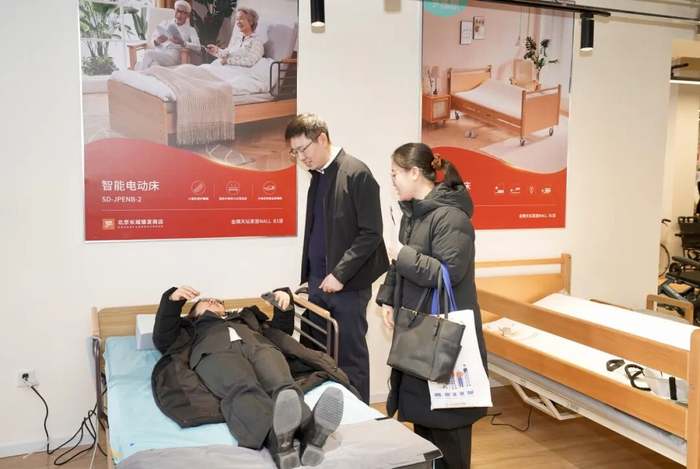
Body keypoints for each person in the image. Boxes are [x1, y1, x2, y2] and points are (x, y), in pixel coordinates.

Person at [152, 285, 354, 468]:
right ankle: (276, 440)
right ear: (194, 313)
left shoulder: (247, 318)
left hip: (260, 346)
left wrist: (284, 304)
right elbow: (163, 337)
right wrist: (172, 300)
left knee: (283, 386)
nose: (213, 301)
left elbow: (281, 331)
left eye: (217, 301)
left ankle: (310, 432)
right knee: (242, 388)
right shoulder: (191, 328)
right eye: (206, 301)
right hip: (214, 352)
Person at [376, 143, 488, 469]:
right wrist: (388, 299)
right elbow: (399, 265)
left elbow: (448, 273)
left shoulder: (450, 216)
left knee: (448, 428)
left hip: (443, 336)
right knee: (426, 426)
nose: (393, 181)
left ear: (414, 173)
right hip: (420, 333)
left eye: (395, 174)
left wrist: (403, 254)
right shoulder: (414, 214)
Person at [285, 113, 389, 404]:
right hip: (319, 283)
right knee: (317, 356)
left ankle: (360, 418)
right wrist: (310, 279)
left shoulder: (356, 173)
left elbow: (371, 233)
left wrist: (340, 274)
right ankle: (325, 415)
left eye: (303, 149)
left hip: (347, 286)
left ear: (322, 139)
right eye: (295, 152)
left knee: (349, 359)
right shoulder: (318, 177)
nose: (300, 158)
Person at [139, 0, 201, 71]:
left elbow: (198, 47)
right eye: (177, 11)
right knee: (154, 65)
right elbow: (154, 38)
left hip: (174, 56)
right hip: (160, 52)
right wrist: (157, 41)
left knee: (147, 53)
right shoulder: (165, 23)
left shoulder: (190, 29)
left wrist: (183, 43)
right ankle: (153, 77)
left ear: (187, 15)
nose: (179, 14)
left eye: (182, 12)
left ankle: (138, 75)